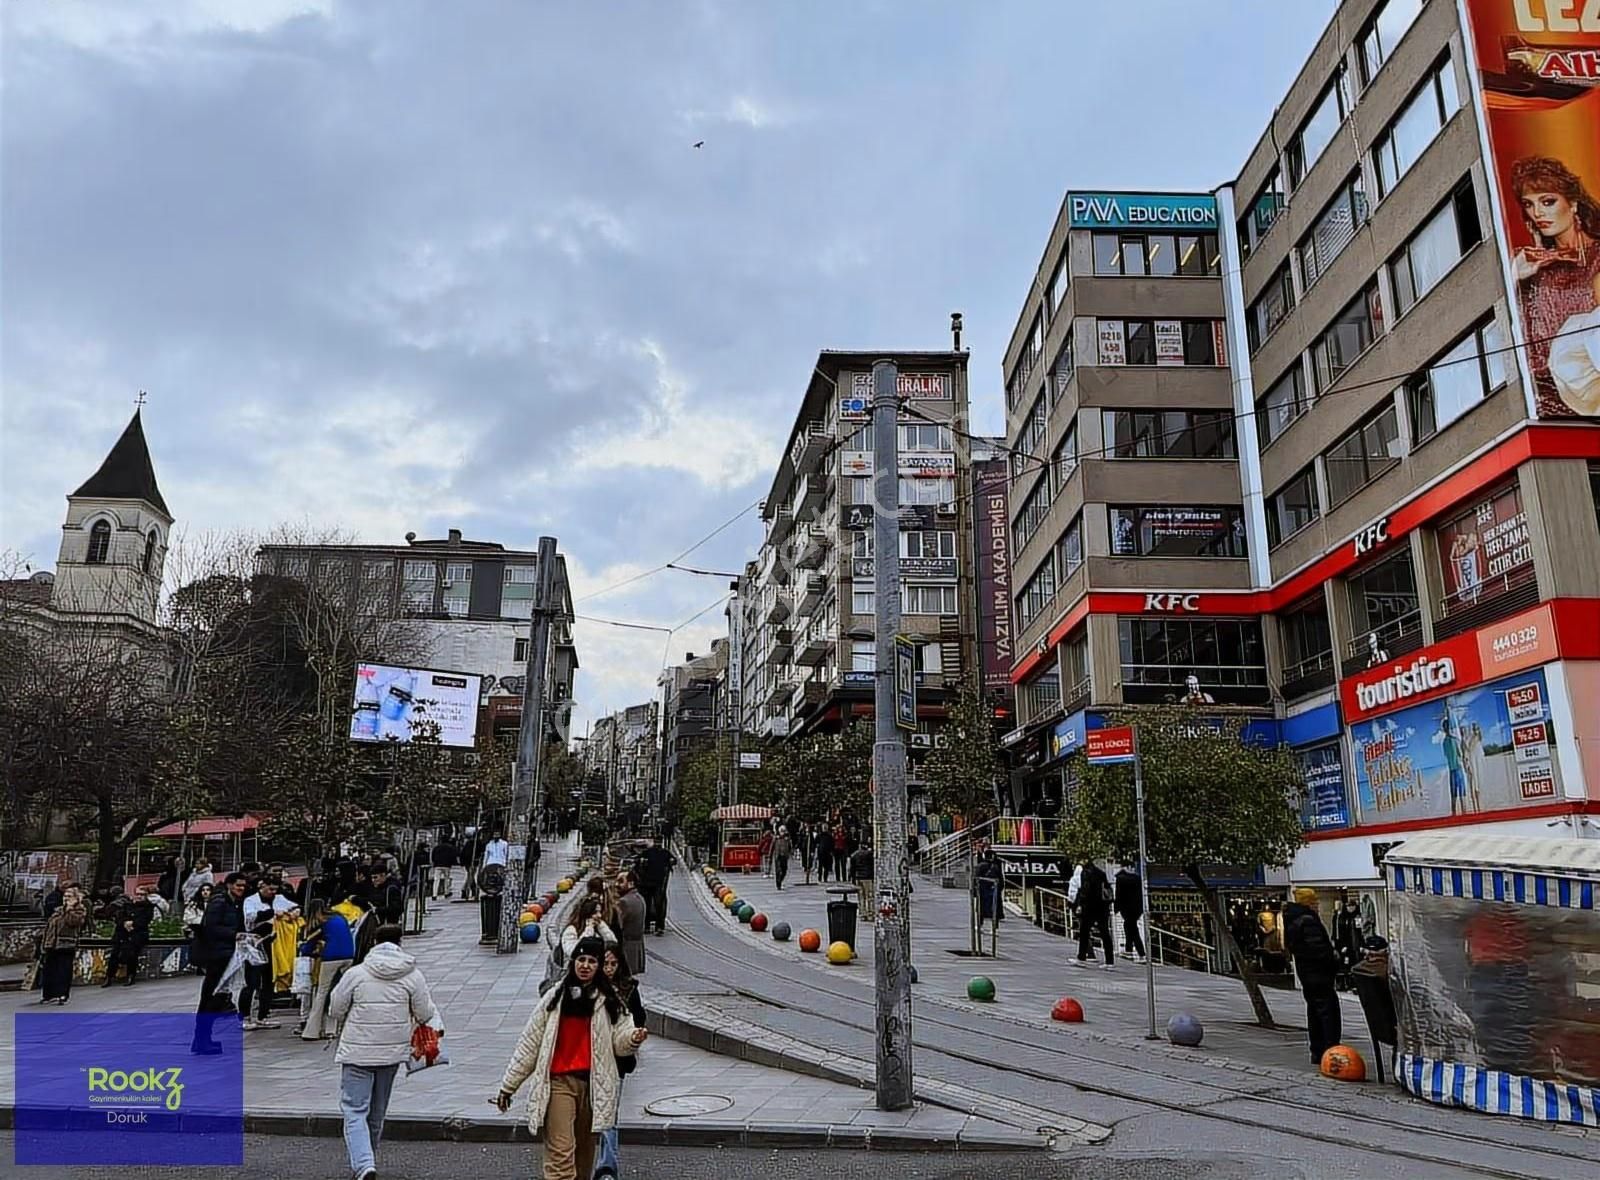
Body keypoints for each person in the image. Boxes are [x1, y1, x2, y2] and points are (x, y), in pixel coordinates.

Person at [494, 936, 645, 1180]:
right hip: (559, 1084)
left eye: (592, 961)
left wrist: (633, 1039)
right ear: (574, 961)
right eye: (581, 959)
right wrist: (508, 1087)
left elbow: (620, 1039)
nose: (585, 965)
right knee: (561, 1156)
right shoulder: (556, 998)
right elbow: (529, 1044)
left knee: (584, 1159)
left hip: (594, 1085)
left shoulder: (609, 1000)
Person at [327, 923, 441, 1180]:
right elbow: (425, 1013)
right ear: (400, 942)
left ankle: (364, 1164)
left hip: (357, 1051)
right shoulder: (413, 975)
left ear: (373, 943)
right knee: (377, 1110)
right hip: (392, 1053)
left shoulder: (356, 973)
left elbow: (335, 1008)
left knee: (355, 1109)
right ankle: (368, 1158)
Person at [1509, 155, 1600, 416]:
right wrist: (1514, 278)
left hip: (1590, 401)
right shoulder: (1524, 263)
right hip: (1542, 406)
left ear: (1572, 203)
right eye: (1528, 204)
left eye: (1547, 202)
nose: (1537, 213)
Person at [595, 945, 648, 1180]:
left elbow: (638, 1018)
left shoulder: (628, 989)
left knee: (609, 1116)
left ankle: (606, 1167)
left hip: (617, 1062)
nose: (608, 969)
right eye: (604, 964)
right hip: (591, 1061)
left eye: (613, 964)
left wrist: (634, 1036)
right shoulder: (589, 989)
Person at [1282, 887, 1342, 1066]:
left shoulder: (1292, 919)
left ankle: (1318, 1050)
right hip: (1318, 974)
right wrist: (1333, 958)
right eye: (1314, 902)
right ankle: (1330, 1050)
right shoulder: (1307, 921)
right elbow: (1318, 950)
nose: (1317, 905)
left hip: (1306, 974)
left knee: (1314, 1011)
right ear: (1308, 903)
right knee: (1328, 1011)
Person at [192, 872, 248, 1053]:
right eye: (238, 885)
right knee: (211, 998)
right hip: (216, 955)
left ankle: (203, 1039)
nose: (241, 889)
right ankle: (202, 1039)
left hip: (226, 954)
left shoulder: (232, 903)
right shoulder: (220, 902)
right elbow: (211, 927)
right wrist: (234, 935)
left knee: (216, 998)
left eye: (243, 886)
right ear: (230, 885)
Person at [300, 898, 356, 1040]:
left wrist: (303, 947)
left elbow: (308, 946)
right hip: (349, 955)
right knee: (339, 992)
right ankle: (333, 1029)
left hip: (331, 957)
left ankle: (311, 1031)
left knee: (322, 993)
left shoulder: (321, 922)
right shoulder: (339, 917)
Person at [240, 879, 288, 1030]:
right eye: (270, 890)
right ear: (262, 887)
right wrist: (271, 912)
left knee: (269, 980)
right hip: (254, 943)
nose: (273, 893)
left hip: (271, 943)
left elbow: (293, 906)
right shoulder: (251, 900)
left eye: (275, 890)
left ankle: (263, 1015)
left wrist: (294, 911)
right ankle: (245, 1016)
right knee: (252, 981)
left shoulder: (279, 899)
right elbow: (250, 917)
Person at [104, 883, 161, 987]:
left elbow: (145, 921)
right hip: (123, 932)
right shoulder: (127, 905)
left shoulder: (149, 907)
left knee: (132, 952)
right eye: (137, 894)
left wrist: (132, 924)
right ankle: (109, 976)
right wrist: (125, 922)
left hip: (138, 933)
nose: (139, 896)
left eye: (142, 894)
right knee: (115, 953)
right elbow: (119, 916)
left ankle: (131, 975)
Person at [38, 885, 88, 1004]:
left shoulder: (79, 910)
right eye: (65, 896)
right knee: (50, 970)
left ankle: (62, 994)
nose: (66, 899)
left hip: (66, 944)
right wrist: (44, 943)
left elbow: (73, 922)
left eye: (69, 896)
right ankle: (49, 994)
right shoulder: (58, 910)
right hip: (52, 944)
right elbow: (50, 927)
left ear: (76, 898)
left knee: (63, 970)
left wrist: (70, 908)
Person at [1070, 859, 1115, 968]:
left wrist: (1080, 904)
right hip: (1102, 907)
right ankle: (1110, 961)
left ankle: (1081, 957)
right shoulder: (1101, 873)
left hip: (1089, 907)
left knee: (1084, 932)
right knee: (1105, 933)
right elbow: (1107, 889)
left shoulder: (1085, 873)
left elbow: (1085, 890)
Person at [634, 838, 674, 937]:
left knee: (657, 904)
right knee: (650, 904)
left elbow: (673, 860)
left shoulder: (664, 853)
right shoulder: (648, 853)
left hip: (656, 883)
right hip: (648, 883)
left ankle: (657, 926)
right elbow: (637, 862)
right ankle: (649, 925)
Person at [613, 871, 647, 976]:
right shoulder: (639, 898)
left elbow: (617, 926)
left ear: (631, 883)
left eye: (620, 881)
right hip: (637, 948)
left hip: (626, 948)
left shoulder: (624, 902)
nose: (616, 884)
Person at [1114, 864, 1146, 963]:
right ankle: (1128, 949)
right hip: (1137, 908)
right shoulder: (1137, 878)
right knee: (1129, 926)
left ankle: (1141, 953)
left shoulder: (1120, 879)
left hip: (1127, 908)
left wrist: (1116, 909)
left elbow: (1119, 895)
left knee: (1132, 929)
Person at [849, 842, 875, 925]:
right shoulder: (869, 854)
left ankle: (862, 914)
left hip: (858, 877)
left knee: (861, 897)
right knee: (869, 896)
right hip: (868, 877)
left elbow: (852, 868)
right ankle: (870, 913)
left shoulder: (854, 855)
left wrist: (852, 877)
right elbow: (872, 866)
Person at [429, 836, 457, 900]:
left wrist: (434, 863)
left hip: (437, 865)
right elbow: (453, 856)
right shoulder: (450, 847)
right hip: (447, 865)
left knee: (436, 880)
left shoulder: (436, 847)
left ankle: (434, 894)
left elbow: (433, 856)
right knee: (446, 879)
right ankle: (446, 892)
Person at [772, 826, 793, 891]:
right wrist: (770, 855)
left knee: (784, 870)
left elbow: (790, 847)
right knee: (778, 870)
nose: (782, 833)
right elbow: (772, 847)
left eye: (783, 831)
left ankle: (780, 880)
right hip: (778, 856)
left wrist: (790, 853)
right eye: (781, 831)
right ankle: (778, 884)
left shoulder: (787, 839)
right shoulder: (776, 839)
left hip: (784, 856)